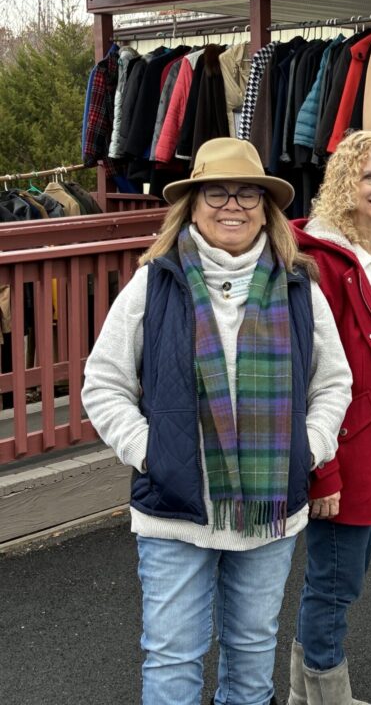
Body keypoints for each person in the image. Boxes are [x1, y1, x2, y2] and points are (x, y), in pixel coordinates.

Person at [81, 137, 353, 705]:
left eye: (248, 194)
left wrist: (309, 445)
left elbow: (333, 383)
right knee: (173, 660)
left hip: (271, 507)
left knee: (253, 659)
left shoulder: (300, 287)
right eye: (217, 193)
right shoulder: (155, 284)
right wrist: (151, 451)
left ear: (266, 207)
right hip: (176, 509)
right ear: (193, 204)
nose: (233, 206)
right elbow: (103, 384)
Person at [288, 129, 371, 705]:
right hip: (341, 450)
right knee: (334, 585)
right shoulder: (322, 261)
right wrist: (325, 472)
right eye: (369, 176)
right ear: (344, 182)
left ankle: (304, 695)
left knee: (339, 581)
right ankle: (327, 695)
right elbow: (312, 376)